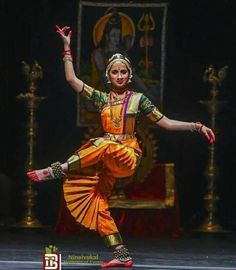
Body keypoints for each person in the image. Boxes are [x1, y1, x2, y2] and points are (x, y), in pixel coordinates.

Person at [27, 25, 215, 268]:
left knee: (103, 142)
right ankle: (121, 253)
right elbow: (72, 80)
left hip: (127, 155)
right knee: (97, 201)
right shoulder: (102, 99)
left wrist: (197, 126)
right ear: (108, 75)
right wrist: (66, 46)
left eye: (123, 72)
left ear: (129, 75)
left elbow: (166, 123)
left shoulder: (139, 99)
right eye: (114, 72)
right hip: (107, 163)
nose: (119, 76)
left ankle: (60, 168)